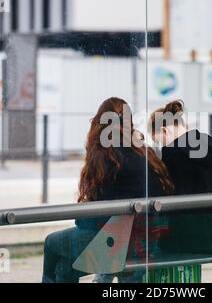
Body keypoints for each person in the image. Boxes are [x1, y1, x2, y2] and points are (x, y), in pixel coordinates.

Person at [42, 97, 174, 283]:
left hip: (115, 243)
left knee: (50, 243)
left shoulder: (106, 154)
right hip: (146, 242)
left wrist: (80, 217)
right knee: (63, 267)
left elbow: (95, 219)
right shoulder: (144, 152)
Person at [148, 100, 212, 256]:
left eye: (158, 141)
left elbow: (170, 200)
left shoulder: (172, 153)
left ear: (164, 130)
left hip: (194, 239)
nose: (160, 147)